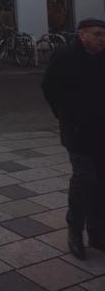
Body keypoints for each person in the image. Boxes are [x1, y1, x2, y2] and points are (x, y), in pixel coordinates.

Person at [42, 17, 105, 259]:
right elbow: (48, 87)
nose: (102, 39)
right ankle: (75, 232)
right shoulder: (66, 56)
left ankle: (98, 233)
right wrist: (64, 116)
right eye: (97, 34)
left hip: (101, 130)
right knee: (84, 179)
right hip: (77, 131)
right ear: (83, 35)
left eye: (104, 35)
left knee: (101, 183)